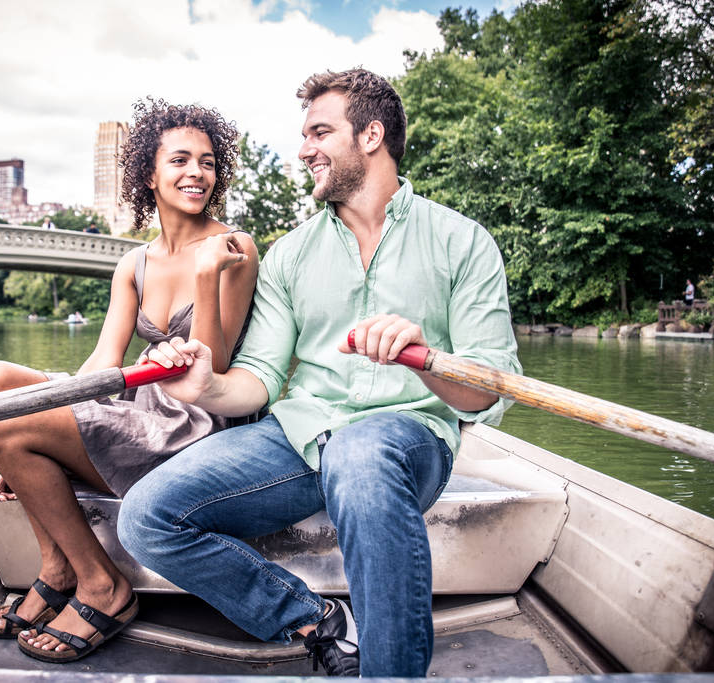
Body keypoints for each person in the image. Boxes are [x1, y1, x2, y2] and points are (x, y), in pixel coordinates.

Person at [118, 69, 520, 678]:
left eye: (319, 132)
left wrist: (428, 357)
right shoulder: (289, 254)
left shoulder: (461, 242)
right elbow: (256, 376)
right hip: (300, 436)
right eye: (303, 135)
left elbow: (487, 389)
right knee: (145, 517)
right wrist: (204, 383)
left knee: (361, 451)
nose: (303, 150)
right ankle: (305, 614)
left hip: (408, 436)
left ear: (371, 135)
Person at [0, 99, 258, 664]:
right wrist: (15, 436)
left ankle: (102, 585)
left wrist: (205, 277)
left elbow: (212, 368)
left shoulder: (232, 249)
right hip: (138, 399)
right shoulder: (135, 262)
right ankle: (57, 567)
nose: (196, 173)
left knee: (10, 427)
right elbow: (103, 362)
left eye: (207, 161)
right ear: (149, 173)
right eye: (179, 160)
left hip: (195, 418)